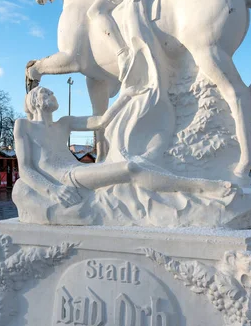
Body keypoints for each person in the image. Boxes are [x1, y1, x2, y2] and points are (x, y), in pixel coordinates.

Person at [13, 87, 234, 224]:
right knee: (131, 168)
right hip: (65, 178)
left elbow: (100, 121)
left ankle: (196, 189)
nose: (51, 94)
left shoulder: (64, 123)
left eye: (51, 92)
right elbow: (25, 168)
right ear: (33, 101)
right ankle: (200, 186)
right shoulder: (23, 126)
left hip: (80, 171)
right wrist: (54, 191)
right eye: (45, 92)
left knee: (134, 163)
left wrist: (125, 96)